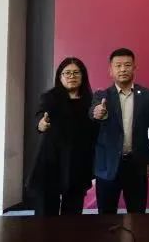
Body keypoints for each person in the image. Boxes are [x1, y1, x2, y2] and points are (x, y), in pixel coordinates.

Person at [91, 48, 149, 214]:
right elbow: (93, 113)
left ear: (134, 68)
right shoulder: (102, 96)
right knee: (106, 218)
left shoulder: (147, 96)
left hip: (137, 165)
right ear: (111, 70)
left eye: (127, 65)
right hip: (108, 167)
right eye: (118, 65)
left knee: (137, 217)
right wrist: (97, 112)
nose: (123, 69)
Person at [27, 57, 97, 215]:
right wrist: (41, 124)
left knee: (72, 218)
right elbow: (40, 115)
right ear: (60, 76)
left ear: (83, 76)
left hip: (77, 164)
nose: (72, 76)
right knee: (45, 217)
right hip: (50, 161)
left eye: (76, 73)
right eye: (67, 73)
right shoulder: (49, 97)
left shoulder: (90, 101)